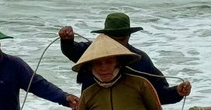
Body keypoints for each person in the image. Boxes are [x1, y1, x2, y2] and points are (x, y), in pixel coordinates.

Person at [59, 11, 191, 104]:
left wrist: (177, 92)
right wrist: (66, 40)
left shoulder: (140, 60)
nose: (116, 44)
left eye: (121, 39)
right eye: (112, 39)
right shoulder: (90, 53)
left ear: (129, 37)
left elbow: (158, 94)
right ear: (104, 36)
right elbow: (71, 51)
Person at [69, 35, 168, 110]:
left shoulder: (140, 85)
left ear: (119, 63)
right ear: (91, 67)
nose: (104, 68)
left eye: (109, 62)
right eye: (98, 63)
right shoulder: (88, 95)